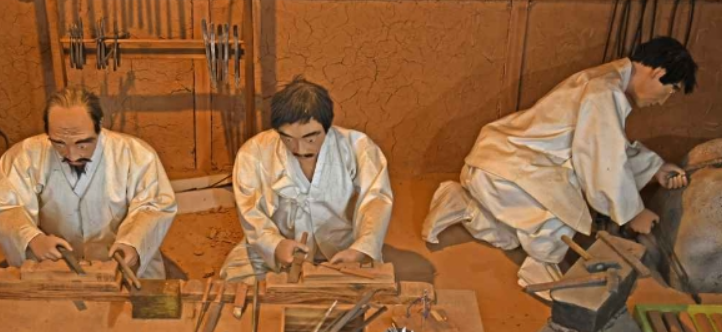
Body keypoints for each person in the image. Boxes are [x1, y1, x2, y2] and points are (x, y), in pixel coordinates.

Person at [422, 36, 697, 292]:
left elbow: (610, 144)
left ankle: (463, 205)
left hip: (495, 164)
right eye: (671, 89)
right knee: (565, 214)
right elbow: (604, 162)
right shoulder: (604, 91)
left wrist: (656, 168)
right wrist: (632, 213)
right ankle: (540, 269)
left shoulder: (604, 81)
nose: (664, 100)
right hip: (509, 169)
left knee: (510, 236)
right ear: (658, 73)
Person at [0, 86, 177, 278]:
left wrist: (133, 242)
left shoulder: (137, 155)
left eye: (82, 143)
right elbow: (4, 208)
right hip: (55, 265)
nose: (72, 155)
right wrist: (32, 238)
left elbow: (153, 205)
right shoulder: (23, 157)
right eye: (59, 143)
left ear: (99, 125)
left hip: (122, 267)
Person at [221, 77, 394, 282]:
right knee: (236, 278)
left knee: (364, 288)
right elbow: (250, 211)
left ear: (327, 127)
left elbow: (376, 198)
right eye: (287, 138)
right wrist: (275, 244)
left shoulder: (357, 147)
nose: (299, 149)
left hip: (342, 249)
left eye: (310, 138)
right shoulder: (253, 153)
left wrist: (359, 249)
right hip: (282, 247)